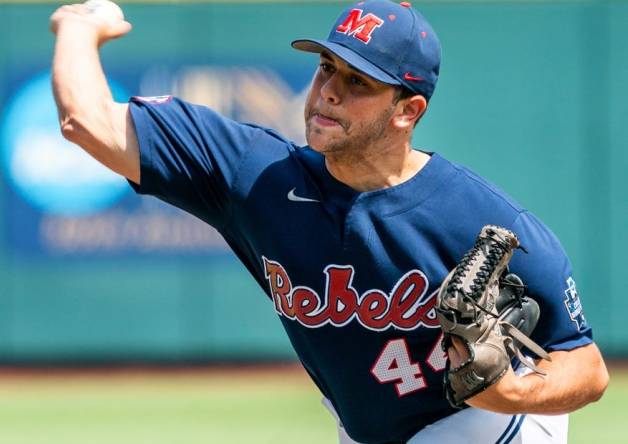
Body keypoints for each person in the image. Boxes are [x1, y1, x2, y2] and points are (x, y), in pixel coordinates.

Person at [49, 1, 609, 442]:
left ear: (407, 110)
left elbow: (587, 369)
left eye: (358, 81)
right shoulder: (254, 175)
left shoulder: (480, 219)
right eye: (326, 67)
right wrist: (79, 28)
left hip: (485, 427)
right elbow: (86, 122)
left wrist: (513, 394)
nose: (329, 91)